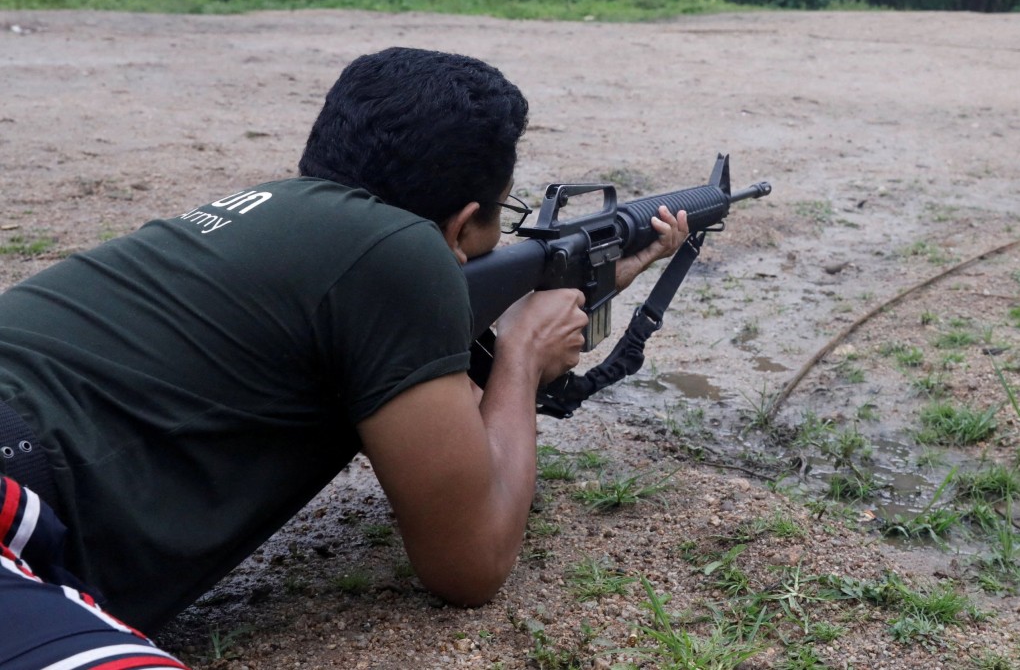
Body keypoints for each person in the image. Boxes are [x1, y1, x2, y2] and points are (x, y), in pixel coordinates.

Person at [0, 46, 686, 663]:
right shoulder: (402, 252)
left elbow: (424, 395)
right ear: (458, 225)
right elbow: (471, 562)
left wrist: (578, 284)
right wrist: (522, 356)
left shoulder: (271, 210)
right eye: (498, 223)